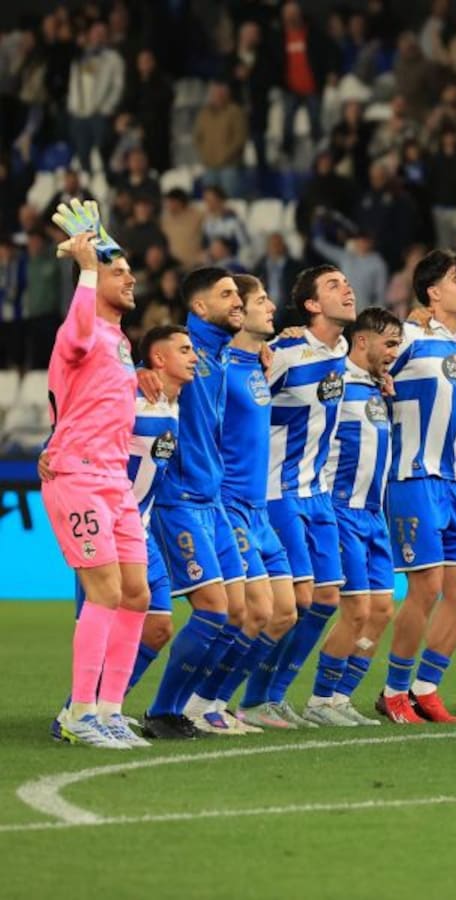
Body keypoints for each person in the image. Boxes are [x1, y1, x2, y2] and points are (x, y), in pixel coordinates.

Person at [53, 325, 198, 741]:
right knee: (101, 614)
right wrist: (52, 450)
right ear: (158, 360)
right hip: (104, 524)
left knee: (157, 626)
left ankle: (108, 710)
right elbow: (82, 418)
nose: (193, 356)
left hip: (141, 528)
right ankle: (74, 715)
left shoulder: (174, 402)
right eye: (184, 350)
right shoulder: (132, 397)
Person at [40, 210, 147, 749]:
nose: (131, 279)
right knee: (104, 590)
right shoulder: (78, 332)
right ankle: (78, 714)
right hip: (78, 476)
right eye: (119, 272)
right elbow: (79, 332)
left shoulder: (120, 341)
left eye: (132, 272)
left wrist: (102, 246)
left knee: (136, 594)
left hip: (114, 480)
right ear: (93, 284)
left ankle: (109, 709)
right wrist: (86, 265)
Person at [245, 266, 355, 725]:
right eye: (333, 286)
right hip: (279, 491)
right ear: (311, 306)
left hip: (319, 494)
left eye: (346, 283)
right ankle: (252, 699)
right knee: (299, 603)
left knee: (327, 601)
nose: (346, 288)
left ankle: (275, 695)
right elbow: (241, 402)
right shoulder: (286, 353)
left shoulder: (343, 349)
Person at [189, 274, 298, 732]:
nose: (269, 307)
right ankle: (200, 702)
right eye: (260, 301)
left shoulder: (256, 364)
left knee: (286, 612)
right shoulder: (217, 366)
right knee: (252, 611)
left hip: (259, 508)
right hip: (230, 503)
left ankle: (217, 699)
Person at [145, 267, 248, 734]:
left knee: (240, 613)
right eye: (227, 295)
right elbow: (137, 373)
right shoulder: (187, 352)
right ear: (200, 307)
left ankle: (187, 706)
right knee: (211, 609)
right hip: (178, 499)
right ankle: (159, 709)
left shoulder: (223, 355)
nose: (239, 301)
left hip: (213, 500)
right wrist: (137, 377)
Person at [377, 250, 456, 724]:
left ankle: (426, 687)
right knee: (426, 588)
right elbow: (358, 358)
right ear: (432, 291)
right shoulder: (410, 337)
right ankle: (394, 691)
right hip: (412, 477)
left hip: (453, 481)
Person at [300, 307, 403, 726]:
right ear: (362, 341)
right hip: (341, 512)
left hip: (374, 514)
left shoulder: (374, 385)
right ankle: (320, 700)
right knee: (356, 610)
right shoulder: (334, 380)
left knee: (381, 612)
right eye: (389, 344)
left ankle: (341, 698)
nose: (395, 352)